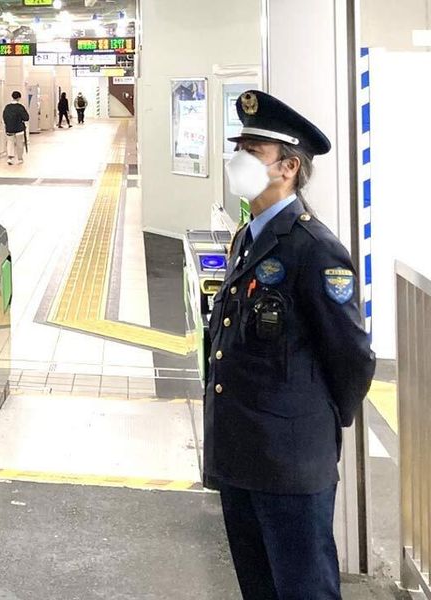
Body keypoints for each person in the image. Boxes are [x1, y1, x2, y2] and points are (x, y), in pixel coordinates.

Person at [204, 90, 376, 600]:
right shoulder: (247, 238)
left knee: (304, 590)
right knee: (259, 588)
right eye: (239, 149)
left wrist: (308, 426)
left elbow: (352, 358)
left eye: (252, 152)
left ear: (288, 167)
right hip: (242, 455)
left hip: (290, 463)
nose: (238, 160)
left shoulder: (314, 250)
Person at [3, 91, 29, 166]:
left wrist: (7, 124)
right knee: (19, 143)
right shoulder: (20, 107)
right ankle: (20, 159)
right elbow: (26, 118)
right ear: (19, 98)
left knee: (10, 142)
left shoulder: (7, 107)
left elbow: (4, 117)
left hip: (9, 128)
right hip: (19, 128)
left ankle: (10, 158)